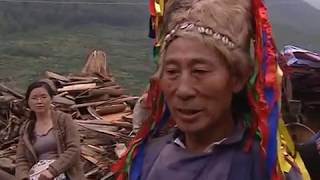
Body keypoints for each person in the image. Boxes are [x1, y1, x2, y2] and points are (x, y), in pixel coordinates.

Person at [112, 0, 311, 180]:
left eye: (200, 71)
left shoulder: (262, 168)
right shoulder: (148, 158)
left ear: (237, 78)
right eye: (172, 71)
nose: (183, 90)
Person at [15, 81, 85, 180]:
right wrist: (24, 177)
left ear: (51, 99)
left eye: (43, 97)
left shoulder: (63, 119)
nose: (39, 101)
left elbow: (74, 149)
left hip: (63, 172)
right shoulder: (26, 128)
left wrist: (52, 171)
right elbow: (21, 159)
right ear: (28, 102)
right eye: (34, 98)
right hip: (38, 174)